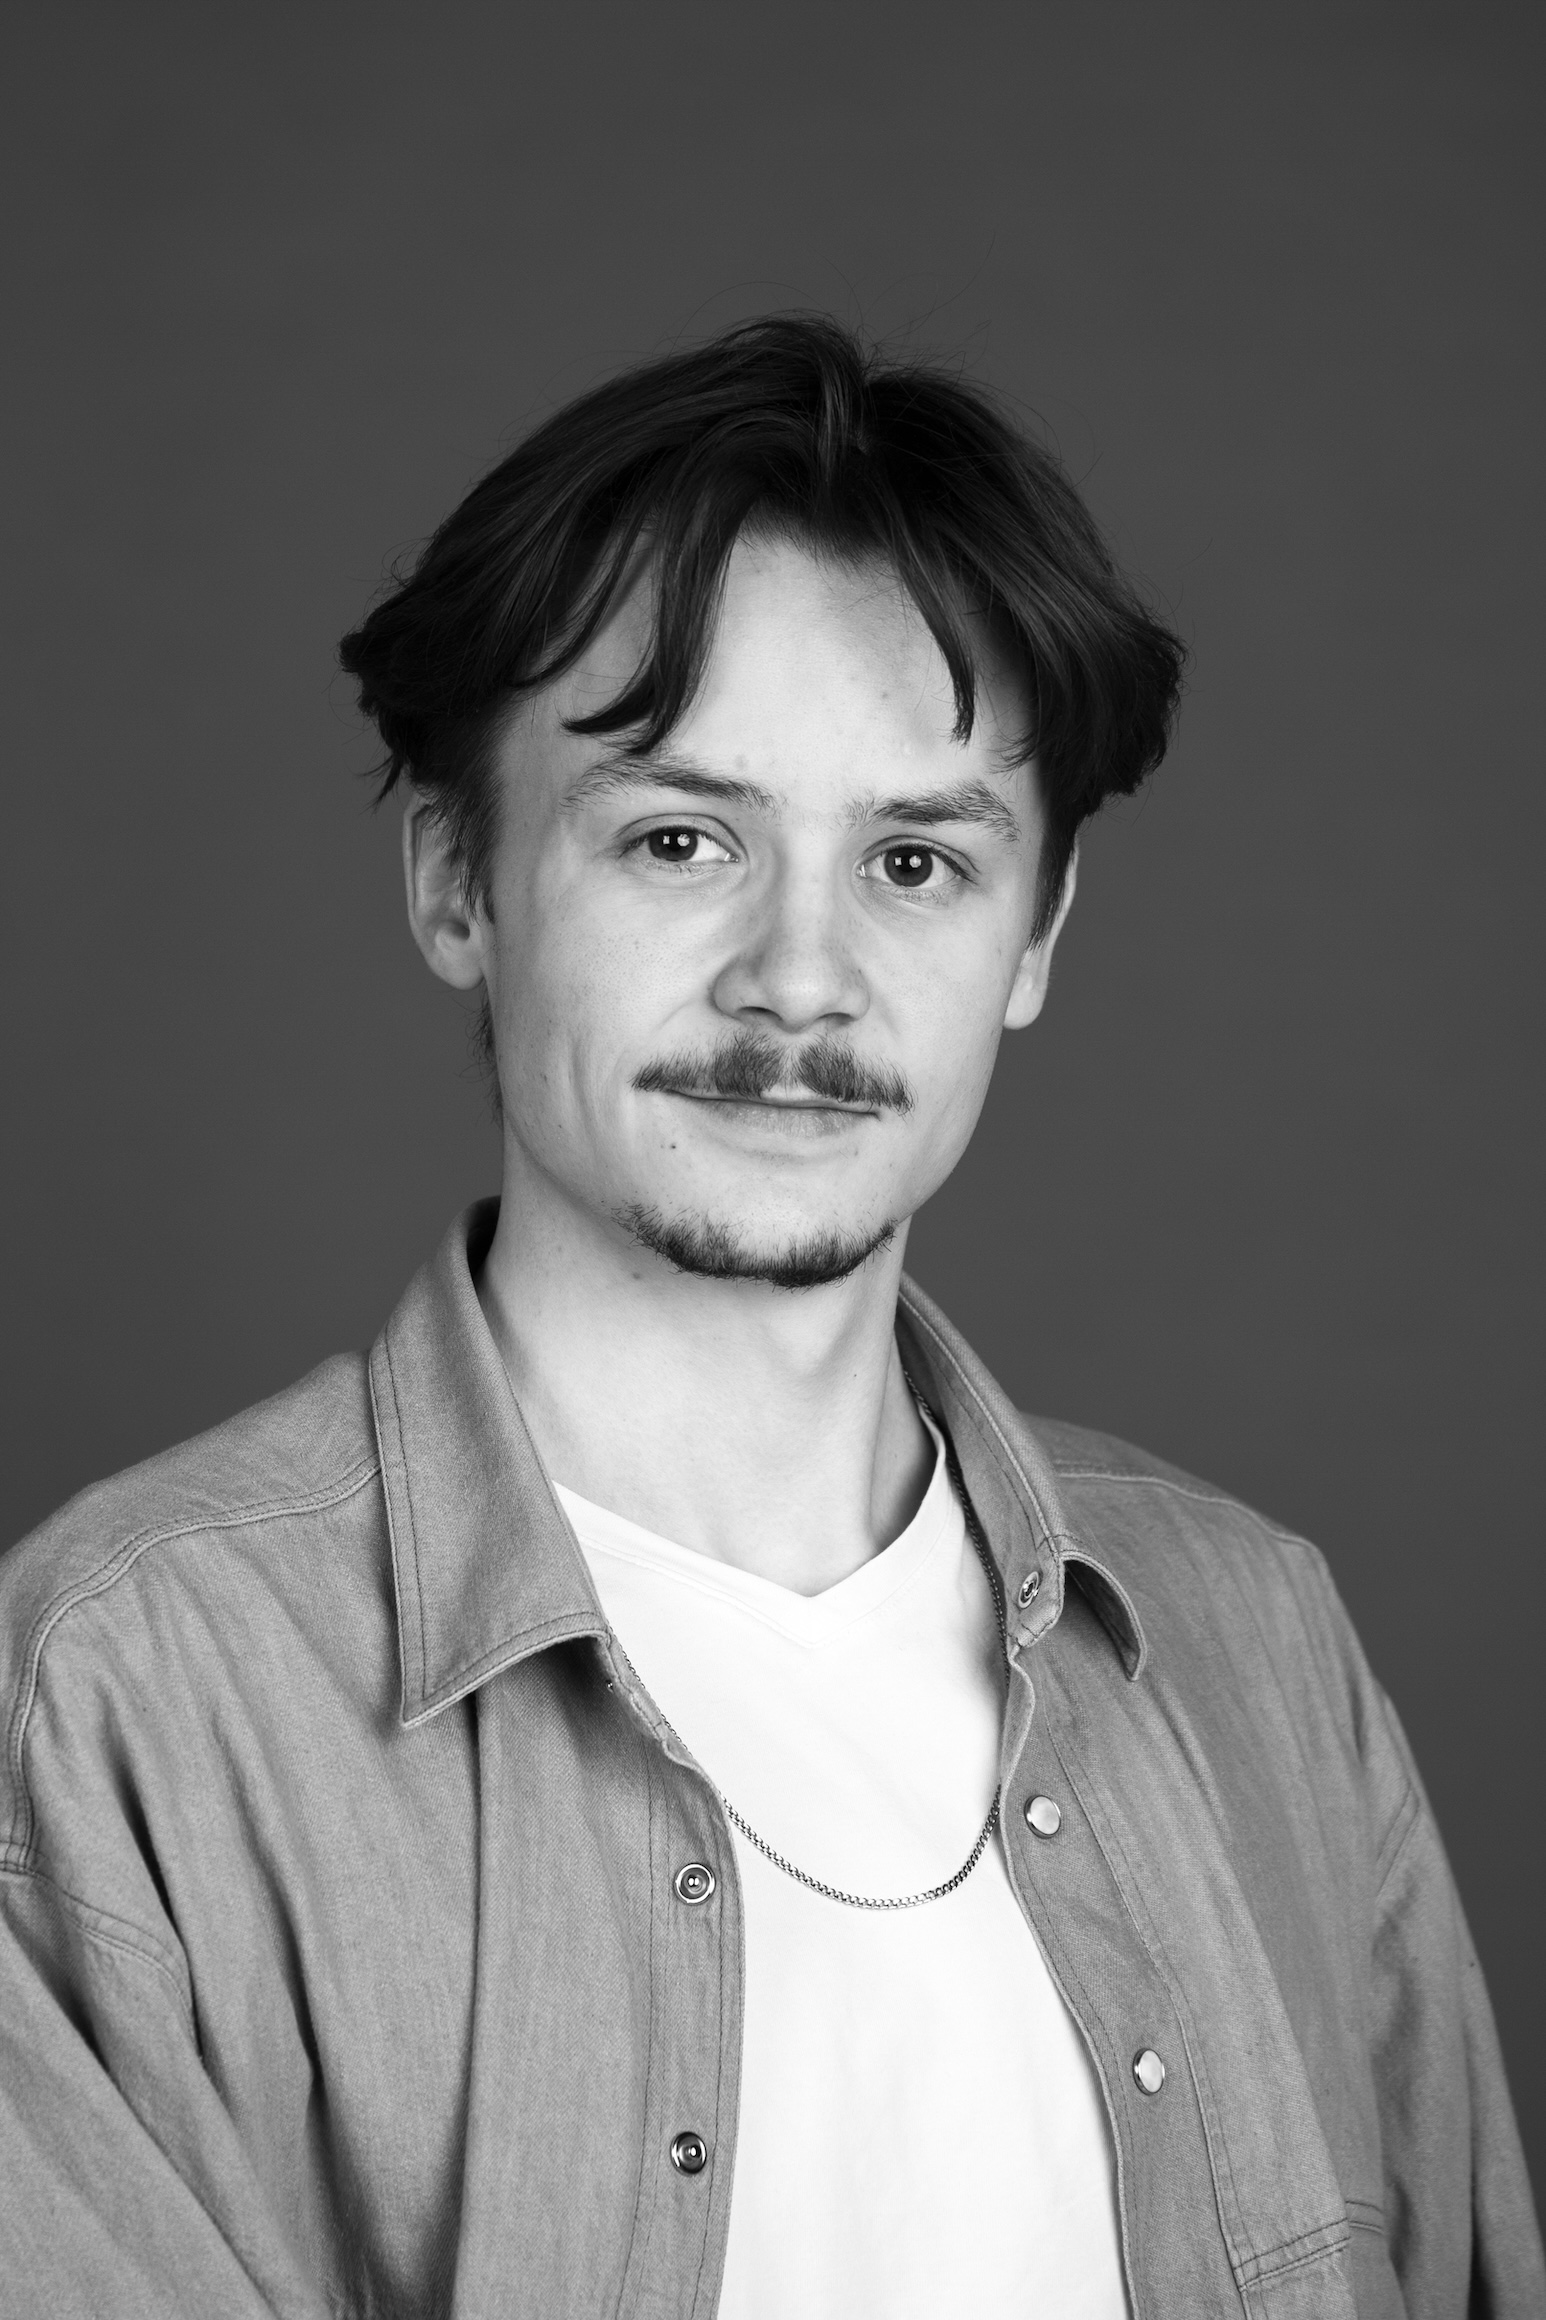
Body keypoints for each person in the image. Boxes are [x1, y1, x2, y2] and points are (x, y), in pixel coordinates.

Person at [0, 316, 1538, 2320]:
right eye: (679, 839)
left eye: (914, 859)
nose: (800, 977)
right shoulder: (120, 1704)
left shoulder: (1258, 1639)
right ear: (456, 882)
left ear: (1035, 938)